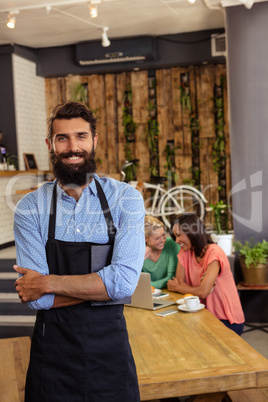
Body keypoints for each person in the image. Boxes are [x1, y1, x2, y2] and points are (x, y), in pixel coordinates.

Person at [13, 101, 145, 401]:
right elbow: (37, 302)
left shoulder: (126, 199)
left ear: (94, 140)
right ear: (50, 144)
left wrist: (46, 282)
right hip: (53, 355)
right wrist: (102, 288)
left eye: (81, 136)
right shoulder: (30, 208)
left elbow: (124, 284)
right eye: (63, 138)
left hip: (109, 353)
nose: (73, 147)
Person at [167, 214, 245, 335]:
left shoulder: (214, 252)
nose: (176, 241)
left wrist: (179, 288)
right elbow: (180, 281)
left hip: (227, 319)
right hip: (204, 315)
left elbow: (201, 291)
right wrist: (194, 288)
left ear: (192, 232)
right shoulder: (186, 251)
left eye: (178, 235)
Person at [143, 216, 180, 289]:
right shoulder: (140, 251)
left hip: (169, 293)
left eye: (163, 235)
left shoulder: (172, 245)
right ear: (145, 239)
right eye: (157, 238)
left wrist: (148, 286)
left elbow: (172, 278)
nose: (162, 240)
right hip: (146, 294)